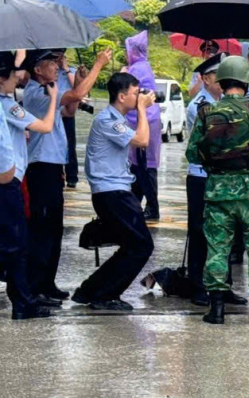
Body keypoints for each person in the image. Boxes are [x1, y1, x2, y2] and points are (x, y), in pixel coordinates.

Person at [185, 56, 249, 325]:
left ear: (221, 82)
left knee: (217, 249)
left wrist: (215, 163)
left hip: (218, 191)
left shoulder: (207, 113)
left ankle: (216, 310)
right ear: (246, 82)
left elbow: (192, 153)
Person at [23, 48, 112, 303]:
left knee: (54, 228)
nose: (56, 64)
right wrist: (98, 65)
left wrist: (78, 77)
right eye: (50, 61)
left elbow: (70, 110)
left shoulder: (49, 87)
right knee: (42, 229)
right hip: (40, 166)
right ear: (37, 69)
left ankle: (47, 283)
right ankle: (35, 287)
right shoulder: (36, 92)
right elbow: (78, 94)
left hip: (52, 166)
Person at [71, 73, 157, 310]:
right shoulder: (109, 121)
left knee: (132, 245)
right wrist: (142, 109)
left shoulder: (115, 119)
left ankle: (89, 290)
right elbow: (142, 140)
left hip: (115, 192)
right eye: (135, 93)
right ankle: (104, 295)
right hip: (112, 193)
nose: (139, 96)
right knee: (141, 246)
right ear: (121, 96)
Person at [183, 53, 246, 307]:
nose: (221, 82)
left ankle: (224, 285)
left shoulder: (227, 103)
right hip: (201, 176)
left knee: (226, 231)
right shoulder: (199, 106)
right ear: (205, 79)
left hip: (225, 176)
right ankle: (197, 284)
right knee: (200, 231)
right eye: (215, 77)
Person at [0, 53, 52, 319]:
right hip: (6, 185)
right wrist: (53, 98)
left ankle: (23, 301)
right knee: (15, 245)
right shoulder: (5, 105)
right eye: (11, 75)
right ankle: (22, 304)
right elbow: (45, 125)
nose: (16, 79)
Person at [124, 31, 162, 222]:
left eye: (127, 49)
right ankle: (137, 202)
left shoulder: (136, 69)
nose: (125, 53)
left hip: (143, 120)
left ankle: (153, 207)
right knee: (138, 166)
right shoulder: (142, 66)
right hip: (144, 119)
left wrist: (122, 75)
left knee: (145, 166)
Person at [53, 50, 80, 189]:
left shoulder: (71, 71)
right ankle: (57, 173)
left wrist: (67, 69)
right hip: (54, 111)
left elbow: (79, 89)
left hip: (68, 110)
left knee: (70, 144)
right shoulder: (51, 70)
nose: (58, 60)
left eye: (61, 56)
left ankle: (72, 176)